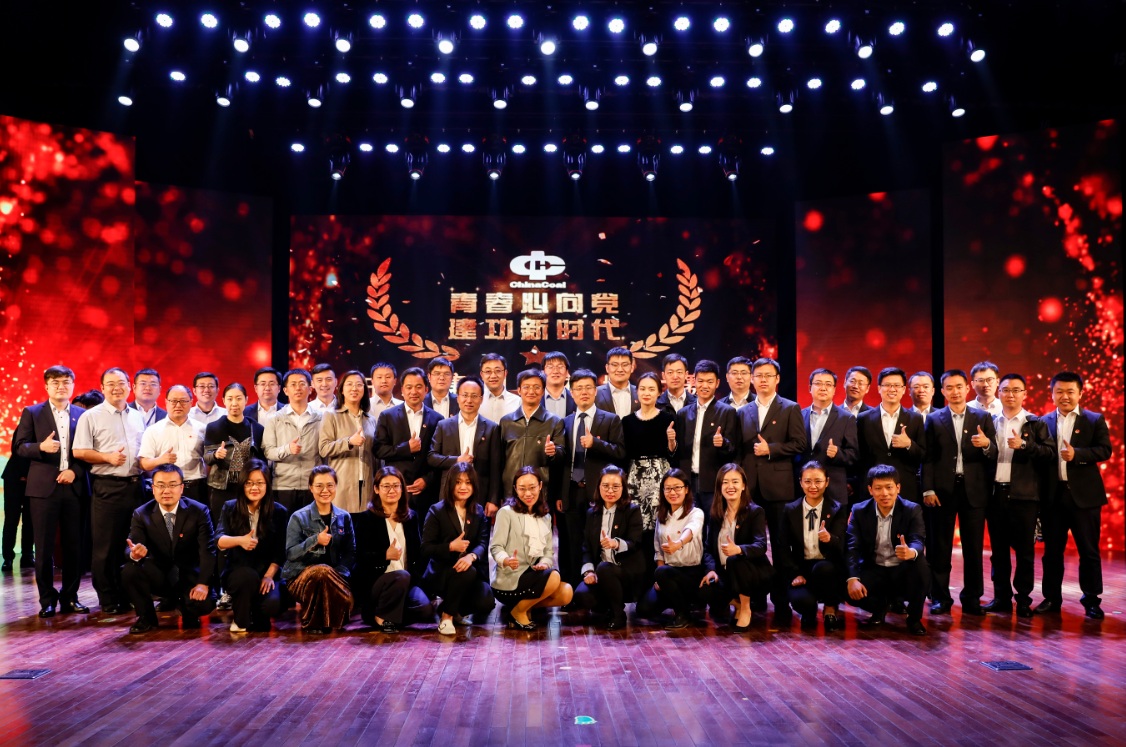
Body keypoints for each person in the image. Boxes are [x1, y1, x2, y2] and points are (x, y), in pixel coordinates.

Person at [13, 365, 88, 616]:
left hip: (74, 487)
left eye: (66, 382)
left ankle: (70, 597)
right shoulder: (32, 412)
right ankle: (47, 600)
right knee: (44, 548)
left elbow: (90, 450)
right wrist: (40, 447)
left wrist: (75, 471)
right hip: (43, 489)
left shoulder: (83, 415)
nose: (61, 386)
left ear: (73, 386)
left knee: (73, 546)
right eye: (55, 382)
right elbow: (20, 447)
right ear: (46, 386)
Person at [921, 369, 997, 616]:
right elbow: (928, 458)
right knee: (939, 548)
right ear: (942, 391)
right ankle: (940, 597)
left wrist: (986, 445)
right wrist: (928, 488)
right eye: (949, 388)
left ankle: (972, 599)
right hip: (942, 491)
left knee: (973, 549)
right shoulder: (934, 419)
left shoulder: (982, 417)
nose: (954, 392)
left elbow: (994, 453)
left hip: (974, 491)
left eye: (959, 387)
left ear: (967, 388)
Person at [737, 356, 806, 619]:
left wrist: (771, 449)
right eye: (758, 376)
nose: (763, 380)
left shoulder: (790, 408)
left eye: (768, 375)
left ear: (777, 379)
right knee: (750, 544)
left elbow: (800, 444)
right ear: (752, 380)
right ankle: (755, 597)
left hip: (778, 487)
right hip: (750, 488)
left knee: (780, 545)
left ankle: (781, 600)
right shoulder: (742, 411)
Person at [1038, 371, 1112, 619]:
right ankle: (1051, 598)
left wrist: (1077, 455)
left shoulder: (1093, 419)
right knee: (1052, 552)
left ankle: (1091, 600)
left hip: (1085, 497)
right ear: (1052, 394)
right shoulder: (1042, 422)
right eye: (1059, 391)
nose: (1065, 396)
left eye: (1070, 391)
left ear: (1080, 393)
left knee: (1089, 551)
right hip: (1053, 497)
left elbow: (1105, 450)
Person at [73, 367, 146, 615]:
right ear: (102, 387)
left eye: (121, 382)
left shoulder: (137, 416)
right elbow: (79, 451)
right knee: (106, 547)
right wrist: (107, 457)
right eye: (111, 383)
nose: (117, 388)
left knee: (133, 543)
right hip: (108, 486)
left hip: (137, 486)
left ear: (129, 386)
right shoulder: (91, 416)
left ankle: (129, 593)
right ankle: (108, 598)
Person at [985, 374, 1054, 618]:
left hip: (1024, 497)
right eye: (1005, 390)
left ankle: (1023, 599)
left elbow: (1050, 453)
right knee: (998, 552)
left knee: (1024, 552)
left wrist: (1024, 446)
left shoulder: (1034, 423)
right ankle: (1001, 598)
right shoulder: (991, 422)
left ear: (1025, 393)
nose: (1010, 394)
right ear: (999, 393)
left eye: (1016, 390)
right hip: (996, 494)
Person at [121, 464, 217, 633]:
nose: (166, 491)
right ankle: (146, 618)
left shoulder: (199, 511)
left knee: (202, 605)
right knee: (129, 570)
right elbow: (132, 545)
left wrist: (203, 583)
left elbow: (208, 550)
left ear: (181, 488)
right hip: (161, 575)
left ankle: (186, 608)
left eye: (172, 485)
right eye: (161, 485)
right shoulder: (141, 514)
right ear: (153, 489)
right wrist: (135, 554)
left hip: (189, 575)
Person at [554, 368, 626, 586]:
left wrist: (596, 443)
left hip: (599, 492)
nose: (583, 392)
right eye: (578, 388)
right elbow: (563, 462)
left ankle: (598, 588)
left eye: (588, 388)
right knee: (571, 543)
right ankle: (571, 589)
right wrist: (560, 493)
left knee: (597, 541)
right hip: (571, 490)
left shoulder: (611, 420)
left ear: (596, 391)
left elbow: (620, 453)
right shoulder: (565, 422)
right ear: (572, 392)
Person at [845, 465, 930, 636]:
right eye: (878, 488)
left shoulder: (912, 509)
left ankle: (914, 619)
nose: (884, 493)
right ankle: (880, 607)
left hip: (901, 569)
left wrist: (911, 551)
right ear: (870, 490)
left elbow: (917, 539)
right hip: (874, 568)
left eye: (889, 487)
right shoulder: (859, 510)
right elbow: (852, 546)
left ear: (898, 488)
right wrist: (852, 579)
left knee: (920, 563)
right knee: (847, 588)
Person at [353, 466, 434, 632]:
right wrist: (385, 555)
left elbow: (419, 555)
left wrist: (417, 578)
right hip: (378, 581)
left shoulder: (411, 517)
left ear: (402, 489)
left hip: (407, 580)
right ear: (376, 489)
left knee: (424, 609)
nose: (392, 490)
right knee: (401, 576)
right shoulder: (366, 519)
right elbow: (359, 558)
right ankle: (381, 617)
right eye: (386, 486)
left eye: (396, 486)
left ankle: (383, 615)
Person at [490, 467, 573, 630]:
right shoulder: (506, 513)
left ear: (540, 486)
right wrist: (506, 560)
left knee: (566, 592)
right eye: (522, 489)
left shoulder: (546, 517)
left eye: (532, 488)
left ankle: (522, 607)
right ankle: (518, 612)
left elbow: (548, 552)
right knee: (554, 577)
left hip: (533, 577)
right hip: (509, 580)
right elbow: (496, 547)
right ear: (515, 489)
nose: (528, 493)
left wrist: (544, 563)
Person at [421, 463, 495, 635]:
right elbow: (425, 548)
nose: (463, 487)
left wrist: (471, 556)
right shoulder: (436, 511)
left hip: (469, 570)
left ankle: (452, 609)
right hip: (442, 572)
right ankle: (446, 618)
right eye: (458, 482)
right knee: (466, 571)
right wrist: (450, 547)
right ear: (450, 484)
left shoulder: (478, 511)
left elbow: (483, 543)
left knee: (487, 601)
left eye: (468, 482)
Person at [215, 460, 288, 632]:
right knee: (247, 577)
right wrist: (240, 540)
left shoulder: (279, 512)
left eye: (259, 483)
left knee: (271, 606)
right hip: (238, 573)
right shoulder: (230, 507)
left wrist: (269, 576)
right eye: (249, 483)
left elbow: (280, 552)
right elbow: (219, 539)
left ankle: (254, 609)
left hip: (266, 572)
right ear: (242, 485)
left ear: (267, 485)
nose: (254, 487)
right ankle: (241, 619)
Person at [282, 465, 356, 632]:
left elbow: (350, 553)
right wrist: (315, 540)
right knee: (321, 570)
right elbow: (291, 553)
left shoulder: (344, 517)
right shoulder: (298, 517)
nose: (325, 490)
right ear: (311, 488)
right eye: (319, 486)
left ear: (336, 486)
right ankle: (314, 623)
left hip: (334, 578)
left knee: (326, 573)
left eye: (330, 485)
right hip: (300, 578)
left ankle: (324, 621)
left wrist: (338, 575)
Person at [699, 464, 773, 631]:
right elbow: (708, 548)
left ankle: (745, 607)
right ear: (719, 487)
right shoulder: (716, 514)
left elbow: (761, 545)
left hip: (752, 573)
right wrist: (711, 570)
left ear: (743, 485)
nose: (730, 486)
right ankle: (736, 603)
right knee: (704, 590)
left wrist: (739, 549)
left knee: (735, 560)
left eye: (735, 482)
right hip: (725, 574)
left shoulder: (755, 512)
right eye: (725, 482)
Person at [777, 461, 848, 631]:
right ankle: (809, 611)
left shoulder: (837, 509)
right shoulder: (790, 510)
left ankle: (830, 607)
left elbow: (842, 546)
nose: (813, 486)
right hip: (801, 569)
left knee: (824, 568)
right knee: (802, 602)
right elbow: (782, 546)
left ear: (827, 482)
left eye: (818, 481)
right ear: (800, 482)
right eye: (807, 481)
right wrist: (794, 573)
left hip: (828, 569)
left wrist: (829, 538)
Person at [573, 466, 644, 630]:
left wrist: (616, 543)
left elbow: (635, 542)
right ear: (599, 487)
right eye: (605, 486)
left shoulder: (632, 510)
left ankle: (618, 614)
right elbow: (586, 547)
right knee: (582, 596)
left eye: (615, 486)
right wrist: (589, 572)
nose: (610, 491)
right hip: (601, 573)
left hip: (625, 571)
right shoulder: (592, 513)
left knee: (604, 567)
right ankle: (608, 605)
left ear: (623, 488)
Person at [622, 371, 677, 585]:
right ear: (636, 392)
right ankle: (640, 582)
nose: (646, 393)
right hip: (635, 479)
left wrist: (671, 442)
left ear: (659, 393)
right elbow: (624, 454)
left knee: (658, 528)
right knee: (638, 529)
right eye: (642, 388)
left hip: (660, 478)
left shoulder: (668, 419)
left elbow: (673, 454)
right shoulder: (627, 421)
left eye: (651, 389)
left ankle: (660, 579)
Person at [635, 468, 707, 629]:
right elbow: (658, 550)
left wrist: (678, 543)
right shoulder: (662, 515)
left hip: (691, 572)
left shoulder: (696, 513)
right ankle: (677, 601)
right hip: (668, 573)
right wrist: (659, 579)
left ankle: (683, 614)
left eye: (677, 488)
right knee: (643, 610)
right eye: (668, 488)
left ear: (686, 489)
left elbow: (691, 530)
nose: (672, 492)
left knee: (663, 573)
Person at [428, 376, 503, 517]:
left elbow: (495, 467)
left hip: (479, 494)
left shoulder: (491, 428)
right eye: (465, 395)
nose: (469, 400)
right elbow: (431, 457)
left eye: (474, 396)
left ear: (481, 399)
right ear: (457, 397)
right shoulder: (443, 426)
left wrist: (493, 499)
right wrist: (457, 460)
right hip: (449, 492)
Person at [671, 360, 738, 517]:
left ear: (717, 383)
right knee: (689, 525)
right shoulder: (683, 413)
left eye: (710, 381)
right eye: (700, 381)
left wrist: (723, 443)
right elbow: (677, 452)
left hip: (713, 483)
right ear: (694, 381)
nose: (704, 386)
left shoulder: (727, 412)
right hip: (687, 482)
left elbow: (733, 450)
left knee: (713, 524)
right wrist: (671, 443)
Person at [374, 366, 442, 514]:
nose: (414, 391)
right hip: (395, 490)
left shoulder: (437, 419)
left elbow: (439, 456)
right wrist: (407, 448)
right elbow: (378, 450)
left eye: (419, 387)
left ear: (426, 389)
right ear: (402, 390)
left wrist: (426, 480)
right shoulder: (387, 416)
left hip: (426, 492)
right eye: (409, 387)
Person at [856, 367, 925, 504]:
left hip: (905, 487)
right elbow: (858, 455)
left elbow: (923, 455)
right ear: (879, 388)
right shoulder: (864, 418)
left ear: (904, 389)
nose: (892, 389)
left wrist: (909, 444)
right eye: (887, 385)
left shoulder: (915, 419)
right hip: (872, 488)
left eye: (897, 385)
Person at [262, 368, 324, 513]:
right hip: (284, 485)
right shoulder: (274, 419)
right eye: (293, 384)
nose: (298, 388)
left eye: (302, 384)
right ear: (285, 390)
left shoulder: (321, 418)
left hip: (313, 484)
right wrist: (287, 449)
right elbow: (268, 451)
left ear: (310, 389)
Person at [203, 383, 265, 522]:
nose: (234, 403)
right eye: (230, 399)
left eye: (239, 398)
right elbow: (206, 457)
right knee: (222, 526)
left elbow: (262, 460)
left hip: (249, 487)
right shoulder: (214, 427)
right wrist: (216, 455)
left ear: (246, 400)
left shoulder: (256, 428)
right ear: (223, 401)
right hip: (221, 488)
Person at [796, 368, 858, 506]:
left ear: (834, 389)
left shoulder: (846, 418)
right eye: (818, 383)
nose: (823, 388)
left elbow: (854, 455)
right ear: (810, 388)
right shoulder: (798, 415)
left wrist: (838, 453)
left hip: (833, 490)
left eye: (828, 384)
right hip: (802, 489)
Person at [317, 369, 378, 513]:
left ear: (365, 389)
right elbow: (323, 449)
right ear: (342, 390)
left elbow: (375, 455)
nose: (354, 388)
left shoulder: (370, 419)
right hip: (342, 483)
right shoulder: (331, 415)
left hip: (367, 484)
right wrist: (349, 441)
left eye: (359, 385)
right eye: (349, 384)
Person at [498, 369, 565, 492]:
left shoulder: (555, 422)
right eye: (526, 387)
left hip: (540, 491)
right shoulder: (506, 422)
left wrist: (554, 452)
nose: (531, 391)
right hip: (511, 489)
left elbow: (562, 457)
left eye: (536, 387)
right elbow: (499, 461)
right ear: (519, 390)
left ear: (543, 391)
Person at [139, 384, 207, 502]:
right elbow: (144, 464)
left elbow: (209, 460)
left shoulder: (202, 429)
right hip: (166, 490)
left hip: (196, 488)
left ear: (191, 402)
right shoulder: (153, 430)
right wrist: (160, 460)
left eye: (183, 401)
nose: (178, 405)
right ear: (166, 402)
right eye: (174, 401)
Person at [1, 449, 32, 574]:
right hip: (14, 477)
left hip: (33, 479)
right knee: (11, 519)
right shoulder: (22, 434)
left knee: (30, 520)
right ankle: (8, 557)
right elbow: (19, 450)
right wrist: (24, 473)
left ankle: (28, 556)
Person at [595, 346, 639, 417]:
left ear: (632, 368)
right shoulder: (595, 394)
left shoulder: (640, 393)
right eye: (615, 365)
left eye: (625, 365)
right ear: (607, 368)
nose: (620, 369)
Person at [479, 354, 521, 423]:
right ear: (482, 375)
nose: (493, 376)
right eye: (488, 371)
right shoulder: (475, 401)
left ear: (505, 373)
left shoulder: (518, 402)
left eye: (498, 371)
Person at [542, 351, 576, 418]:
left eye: (560, 367)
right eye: (550, 367)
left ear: (567, 372)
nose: (555, 371)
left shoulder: (575, 398)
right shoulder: (535, 398)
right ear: (543, 372)